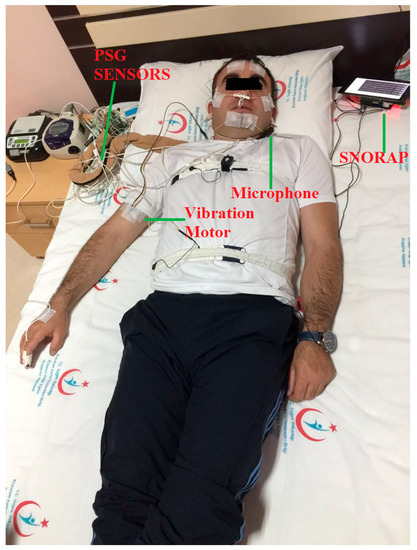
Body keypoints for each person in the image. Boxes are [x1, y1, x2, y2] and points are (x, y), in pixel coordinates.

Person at [20, 55, 343, 545]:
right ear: (210, 106)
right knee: (124, 487)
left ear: (272, 110)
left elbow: (322, 244)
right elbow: (115, 233)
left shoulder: (298, 152)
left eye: (256, 88)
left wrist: (315, 337)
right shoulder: (170, 161)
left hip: (252, 320)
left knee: (202, 494)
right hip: (162, 319)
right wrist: (57, 304)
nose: (243, 95)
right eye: (231, 86)